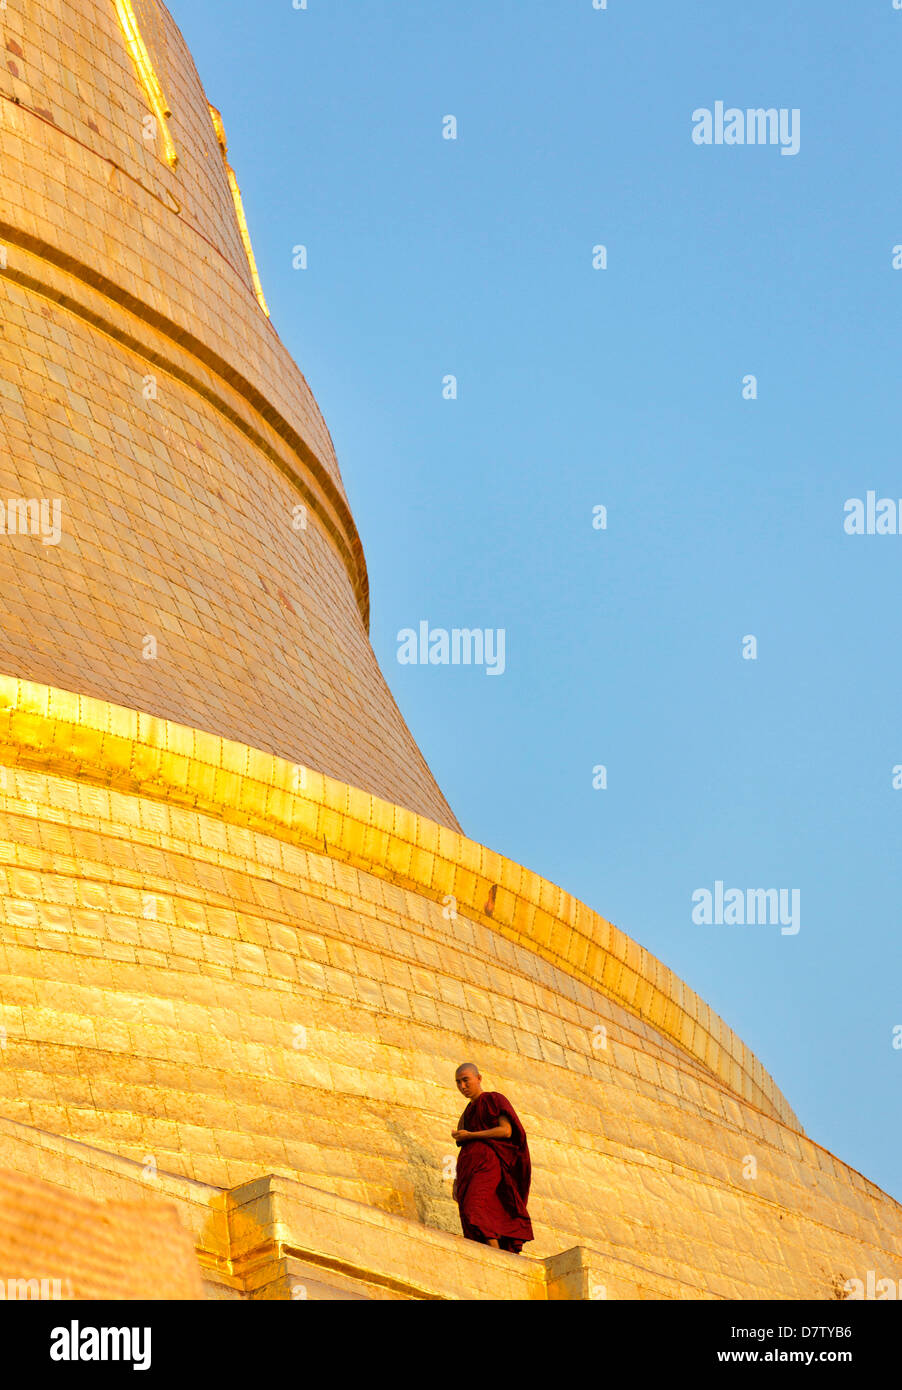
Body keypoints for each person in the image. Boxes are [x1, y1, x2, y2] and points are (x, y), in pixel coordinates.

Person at [451, 1062, 534, 1253]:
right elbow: (463, 1147)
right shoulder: (466, 1113)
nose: (462, 1086)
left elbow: (506, 1131)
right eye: (458, 1082)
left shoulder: (493, 1099)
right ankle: (487, 1252)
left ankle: (496, 1253)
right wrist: (456, 1181)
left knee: (475, 1207)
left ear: (478, 1078)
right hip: (467, 1167)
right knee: (468, 1212)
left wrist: (471, 1135)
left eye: (466, 1080)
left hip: (488, 1164)